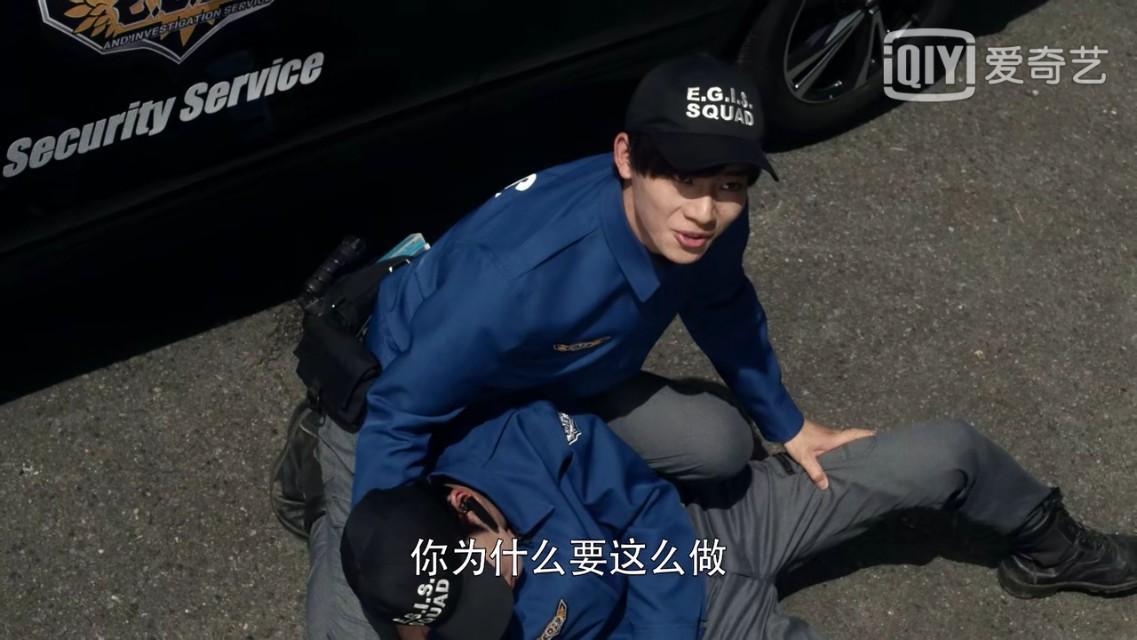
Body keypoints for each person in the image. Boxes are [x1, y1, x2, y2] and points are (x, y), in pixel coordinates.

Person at [290, 53, 876, 638]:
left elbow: (722, 305)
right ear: (626, 157)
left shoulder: (712, 217)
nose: (704, 211)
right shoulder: (511, 282)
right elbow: (400, 417)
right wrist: (396, 557)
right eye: (684, 177)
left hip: (545, 383)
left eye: (728, 183)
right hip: (407, 395)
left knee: (721, 443)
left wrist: (788, 424)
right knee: (379, 618)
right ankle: (319, 484)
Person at [341, 400, 1137, 640]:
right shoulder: (433, 613)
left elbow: (645, 511)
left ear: (465, 506)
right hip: (706, 625)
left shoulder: (523, 441)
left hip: (711, 530)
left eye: (489, 571)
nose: (503, 593)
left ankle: (1049, 547)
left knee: (946, 450)